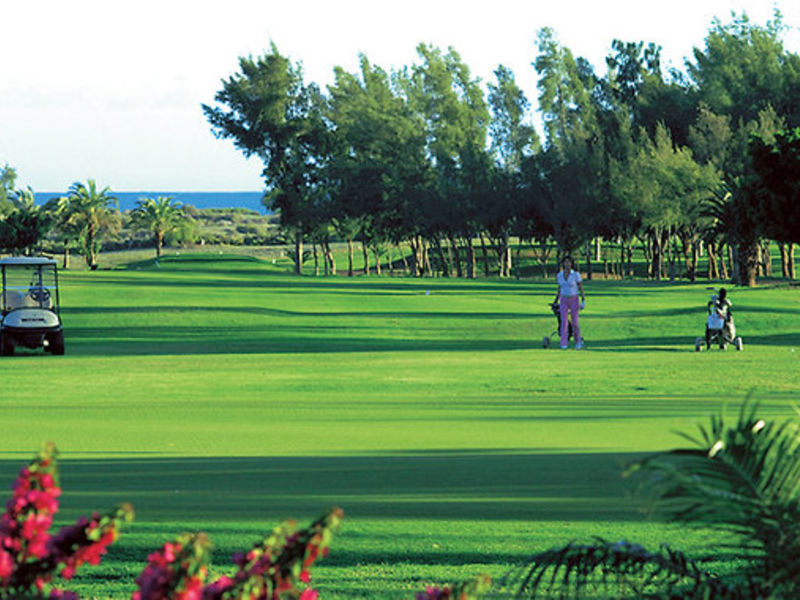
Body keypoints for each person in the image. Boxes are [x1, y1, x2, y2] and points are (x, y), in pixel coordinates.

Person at [553, 256, 585, 349]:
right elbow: (560, 289)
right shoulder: (560, 275)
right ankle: (564, 343)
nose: (567, 264)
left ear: (571, 263)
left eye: (569, 262)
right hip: (564, 299)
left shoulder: (575, 274)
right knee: (564, 322)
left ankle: (578, 341)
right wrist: (555, 300)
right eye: (565, 262)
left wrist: (583, 300)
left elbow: (581, 288)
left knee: (575, 322)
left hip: (574, 299)